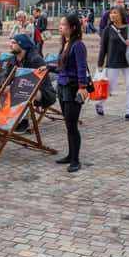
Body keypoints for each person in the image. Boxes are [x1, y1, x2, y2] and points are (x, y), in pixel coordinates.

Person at [45, 14, 89, 172]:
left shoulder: (78, 45)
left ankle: (75, 159)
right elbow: (60, 66)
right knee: (68, 124)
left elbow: (81, 67)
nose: (60, 27)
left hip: (72, 87)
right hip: (62, 87)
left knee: (72, 125)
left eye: (63, 25)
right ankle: (70, 155)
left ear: (73, 27)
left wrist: (82, 87)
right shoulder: (65, 44)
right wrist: (47, 68)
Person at [96, 6, 129, 122]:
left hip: (128, 62)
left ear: (121, 15)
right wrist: (100, 63)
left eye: (115, 13)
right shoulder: (108, 29)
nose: (112, 15)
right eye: (111, 13)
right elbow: (103, 48)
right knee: (110, 86)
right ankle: (100, 104)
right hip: (113, 62)